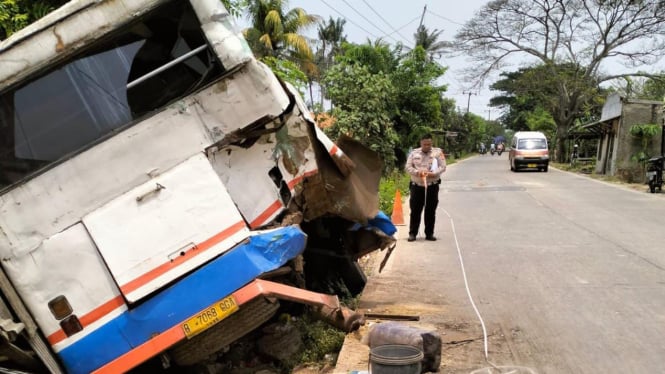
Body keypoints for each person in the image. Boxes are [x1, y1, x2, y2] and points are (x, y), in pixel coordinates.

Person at [405, 134, 446, 242]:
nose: (427, 146)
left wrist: (434, 173)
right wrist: (418, 172)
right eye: (425, 144)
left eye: (429, 144)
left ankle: (429, 233)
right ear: (421, 143)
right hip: (417, 186)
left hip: (432, 186)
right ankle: (412, 233)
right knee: (415, 211)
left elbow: (443, 166)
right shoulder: (414, 153)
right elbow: (408, 167)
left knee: (430, 210)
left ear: (431, 143)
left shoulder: (438, 152)